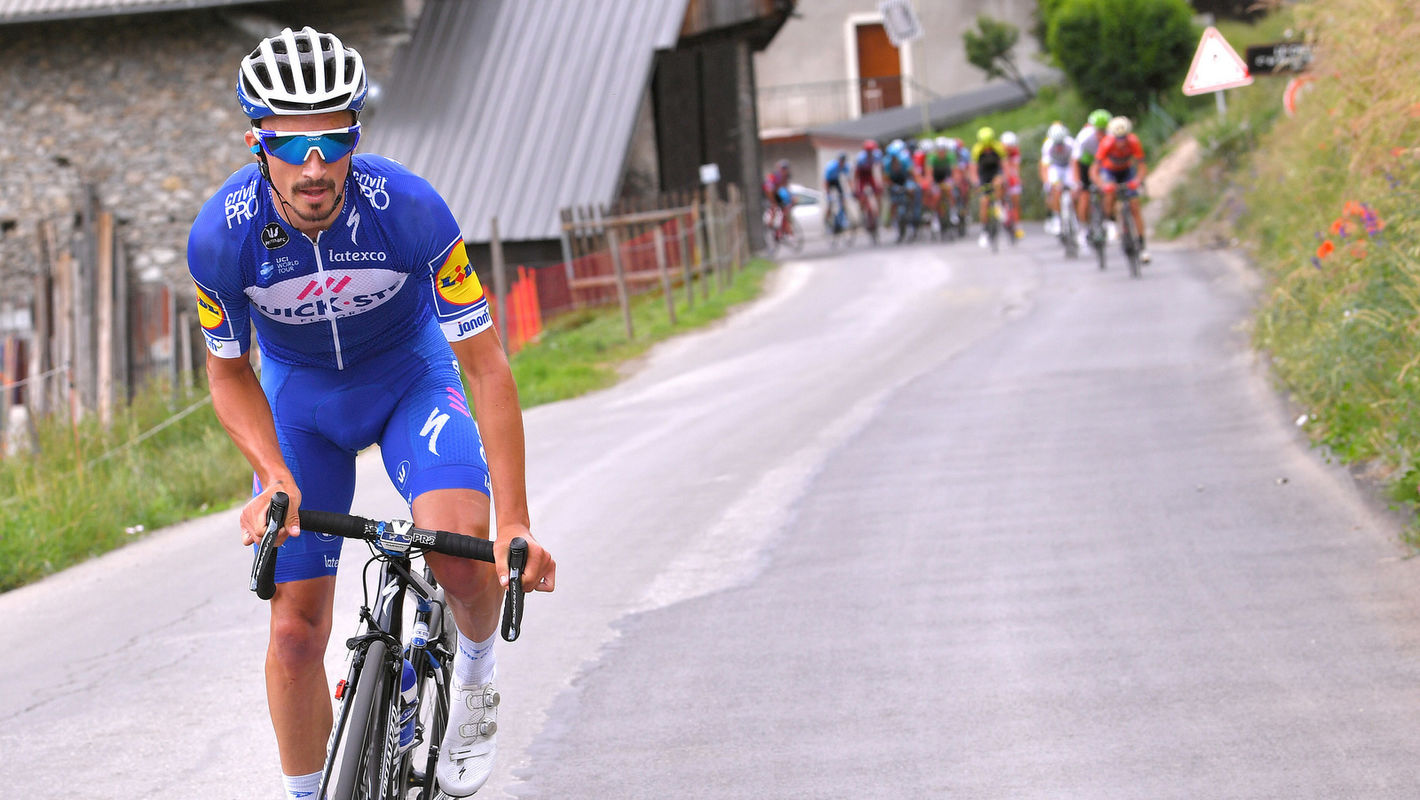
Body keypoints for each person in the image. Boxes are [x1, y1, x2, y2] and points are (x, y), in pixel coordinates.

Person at [186, 27, 557, 800]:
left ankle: (479, 675)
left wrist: (515, 523)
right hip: (302, 405)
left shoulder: (410, 209)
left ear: (355, 134)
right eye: (291, 145)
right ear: (259, 142)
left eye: (333, 139)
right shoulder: (223, 236)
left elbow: (486, 365)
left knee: (462, 554)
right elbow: (227, 374)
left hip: (409, 381)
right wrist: (273, 476)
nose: (314, 166)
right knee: (293, 634)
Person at [1091, 115, 1150, 263]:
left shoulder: (1134, 142)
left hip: (1126, 171)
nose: (1122, 142)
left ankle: (1142, 246)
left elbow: (1142, 165)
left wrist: (1138, 180)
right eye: (1118, 139)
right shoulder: (1106, 143)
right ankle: (1109, 222)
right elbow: (1094, 170)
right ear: (1113, 137)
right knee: (1109, 193)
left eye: (1124, 138)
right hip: (1109, 172)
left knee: (1135, 206)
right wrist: (1101, 184)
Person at [1071, 109, 1111, 246]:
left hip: (1103, 164)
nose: (1102, 134)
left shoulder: (1111, 135)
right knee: (1085, 197)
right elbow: (1075, 161)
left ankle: (1108, 221)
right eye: (1099, 131)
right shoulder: (1084, 137)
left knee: (1108, 190)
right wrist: (1077, 181)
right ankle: (1083, 229)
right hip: (1086, 164)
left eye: (1104, 130)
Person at [969, 126, 1007, 248]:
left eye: (989, 145)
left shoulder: (998, 147)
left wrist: (1005, 177)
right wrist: (976, 182)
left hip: (996, 172)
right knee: (984, 202)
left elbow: (1004, 165)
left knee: (998, 183)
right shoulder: (977, 149)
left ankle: (999, 204)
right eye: (985, 146)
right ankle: (985, 230)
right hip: (983, 175)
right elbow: (973, 169)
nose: (987, 149)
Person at [1039, 122, 1076, 236]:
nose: (1059, 146)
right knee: (1055, 189)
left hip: (1068, 166)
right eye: (1057, 143)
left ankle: (1074, 216)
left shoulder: (1071, 143)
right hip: (1055, 167)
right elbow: (1045, 166)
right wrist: (1047, 182)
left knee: (1074, 189)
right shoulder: (1047, 145)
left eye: (1061, 143)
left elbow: (1074, 163)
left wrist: (1075, 181)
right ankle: (1056, 218)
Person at [883, 140, 922, 242]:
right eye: (892, 158)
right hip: (895, 182)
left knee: (913, 191)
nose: (894, 160)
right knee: (893, 201)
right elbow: (887, 179)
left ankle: (915, 213)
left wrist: (914, 185)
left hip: (906, 180)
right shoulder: (887, 163)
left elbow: (912, 175)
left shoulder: (905, 160)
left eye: (895, 158)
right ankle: (891, 220)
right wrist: (891, 186)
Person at [851, 139, 882, 232]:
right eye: (868, 151)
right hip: (862, 176)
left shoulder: (877, 155)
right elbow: (856, 175)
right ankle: (862, 212)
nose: (870, 153)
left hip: (870, 175)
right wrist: (855, 189)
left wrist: (880, 184)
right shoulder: (860, 158)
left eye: (871, 151)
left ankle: (877, 214)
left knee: (878, 193)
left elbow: (879, 169)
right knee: (861, 196)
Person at [1000, 131, 1024, 239]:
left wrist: (1017, 179)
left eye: (1011, 147)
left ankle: (1017, 225)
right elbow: (1003, 167)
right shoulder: (999, 151)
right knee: (999, 186)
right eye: (1007, 147)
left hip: (1011, 175)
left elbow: (1015, 166)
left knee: (1016, 201)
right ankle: (1001, 208)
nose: (1009, 149)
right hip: (1001, 174)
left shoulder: (1015, 151)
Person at [763, 158, 794, 239]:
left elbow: (785, 189)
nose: (784, 171)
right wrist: (773, 202)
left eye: (786, 169)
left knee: (785, 209)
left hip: (775, 193)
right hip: (768, 193)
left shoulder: (785, 177)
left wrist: (790, 199)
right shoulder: (774, 176)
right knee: (774, 207)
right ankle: (771, 223)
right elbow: (769, 190)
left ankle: (782, 229)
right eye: (783, 169)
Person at [823, 152, 850, 233]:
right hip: (829, 182)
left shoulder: (845, 167)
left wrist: (851, 190)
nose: (842, 163)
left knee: (842, 199)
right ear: (838, 161)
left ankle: (843, 218)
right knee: (830, 203)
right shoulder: (831, 167)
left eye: (843, 161)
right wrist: (828, 194)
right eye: (841, 161)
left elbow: (849, 179)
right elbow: (826, 182)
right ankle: (827, 221)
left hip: (836, 181)